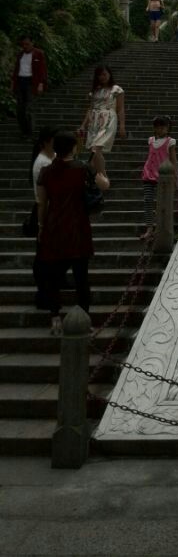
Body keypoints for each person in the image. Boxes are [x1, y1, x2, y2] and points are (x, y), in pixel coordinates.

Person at [36, 130, 110, 334]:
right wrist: (101, 169)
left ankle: (55, 318)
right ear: (74, 148)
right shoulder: (83, 168)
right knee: (81, 277)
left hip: (54, 226)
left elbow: (42, 203)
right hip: (78, 226)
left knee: (53, 276)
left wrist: (41, 227)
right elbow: (104, 185)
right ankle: (85, 319)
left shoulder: (46, 172)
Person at [78, 66, 125, 176]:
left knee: (96, 148)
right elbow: (90, 109)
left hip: (108, 118)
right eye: (99, 75)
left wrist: (122, 126)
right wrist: (83, 126)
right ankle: (96, 178)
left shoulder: (116, 89)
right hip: (94, 120)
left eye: (104, 74)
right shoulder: (95, 90)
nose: (102, 77)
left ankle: (102, 176)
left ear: (109, 74)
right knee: (93, 151)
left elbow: (121, 108)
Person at [29, 128, 56, 310]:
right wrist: (41, 224)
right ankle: (42, 294)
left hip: (49, 209)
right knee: (43, 256)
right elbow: (42, 197)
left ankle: (50, 289)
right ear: (46, 142)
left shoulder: (49, 158)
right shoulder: (42, 163)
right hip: (44, 210)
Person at [140, 116, 178, 241]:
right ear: (154, 128)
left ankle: (160, 227)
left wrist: (175, 175)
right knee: (148, 201)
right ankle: (149, 228)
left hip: (163, 176)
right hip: (148, 174)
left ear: (168, 128)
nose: (160, 129)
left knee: (162, 202)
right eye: (158, 127)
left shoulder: (170, 141)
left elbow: (173, 159)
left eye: (163, 127)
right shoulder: (150, 140)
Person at [12, 36, 47, 138]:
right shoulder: (20, 54)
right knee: (20, 109)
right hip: (20, 82)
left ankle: (29, 132)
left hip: (31, 82)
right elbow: (16, 70)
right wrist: (13, 84)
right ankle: (24, 130)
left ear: (32, 43)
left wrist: (41, 84)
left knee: (29, 108)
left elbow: (42, 69)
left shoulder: (38, 53)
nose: (25, 46)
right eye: (23, 44)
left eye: (27, 44)